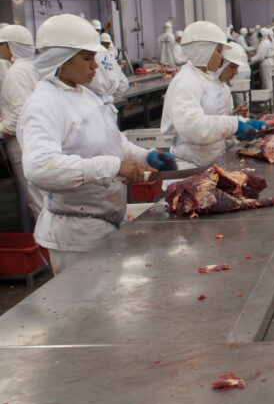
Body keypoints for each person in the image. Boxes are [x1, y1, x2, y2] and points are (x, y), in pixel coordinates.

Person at [17, 14, 175, 274]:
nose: (95, 66)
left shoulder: (84, 94)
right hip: (76, 234)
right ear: (61, 60)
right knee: (85, 310)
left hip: (106, 221)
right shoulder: (43, 104)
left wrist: (144, 156)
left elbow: (114, 143)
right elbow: (40, 168)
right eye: (87, 58)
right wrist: (113, 167)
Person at [161, 21, 265, 168]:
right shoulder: (185, 81)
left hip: (214, 163)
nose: (222, 57)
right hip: (189, 168)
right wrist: (234, 125)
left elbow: (218, 118)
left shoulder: (207, 79)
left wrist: (243, 122)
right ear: (203, 50)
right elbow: (193, 128)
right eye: (218, 50)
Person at [0, 24, 43, 217]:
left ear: (10, 46)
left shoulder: (15, 73)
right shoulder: (33, 66)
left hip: (23, 143)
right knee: (44, 195)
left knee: (36, 199)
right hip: (38, 138)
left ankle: (47, 243)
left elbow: (20, 114)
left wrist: (1, 127)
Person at [85, 33, 129, 116]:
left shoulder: (89, 54)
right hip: (109, 109)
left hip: (92, 108)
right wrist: (109, 97)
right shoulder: (109, 56)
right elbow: (124, 84)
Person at [251, 27, 274, 95]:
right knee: (268, 82)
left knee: (266, 82)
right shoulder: (267, 42)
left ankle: (268, 100)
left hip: (266, 63)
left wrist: (250, 59)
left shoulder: (263, 43)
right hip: (268, 62)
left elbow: (260, 56)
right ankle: (270, 99)